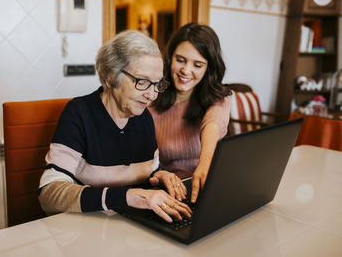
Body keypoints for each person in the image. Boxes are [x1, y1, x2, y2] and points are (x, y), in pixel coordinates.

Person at [38, 30, 191, 223]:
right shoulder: (79, 113)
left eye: (157, 84)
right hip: (84, 227)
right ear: (110, 76)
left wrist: (158, 175)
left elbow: (143, 173)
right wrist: (128, 197)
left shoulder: (143, 116)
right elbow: (49, 194)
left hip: (128, 225)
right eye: (142, 82)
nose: (152, 95)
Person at [149, 23, 232, 203]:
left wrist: (204, 164)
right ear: (170, 58)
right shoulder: (151, 98)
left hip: (208, 188)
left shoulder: (219, 97)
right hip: (167, 194)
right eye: (180, 60)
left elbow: (212, 122)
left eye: (197, 64)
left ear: (208, 68)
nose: (186, 70)